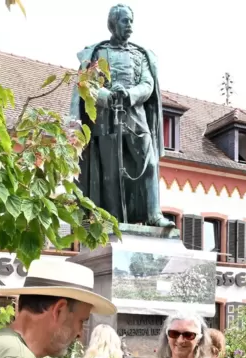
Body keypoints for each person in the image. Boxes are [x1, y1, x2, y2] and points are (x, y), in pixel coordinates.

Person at [70, 4, 174, 228]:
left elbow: (148, 84)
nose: (130, 27)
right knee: (110, 172)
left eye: (131, 21)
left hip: (135, 115)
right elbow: (87, 84)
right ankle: (113, 220)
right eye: (125, 21)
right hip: (106, 119)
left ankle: (154, 214)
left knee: (149, 162)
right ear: (113, 23)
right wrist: (108, 97)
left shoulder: (140, 55)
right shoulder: (98, 53)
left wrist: (129, 95)